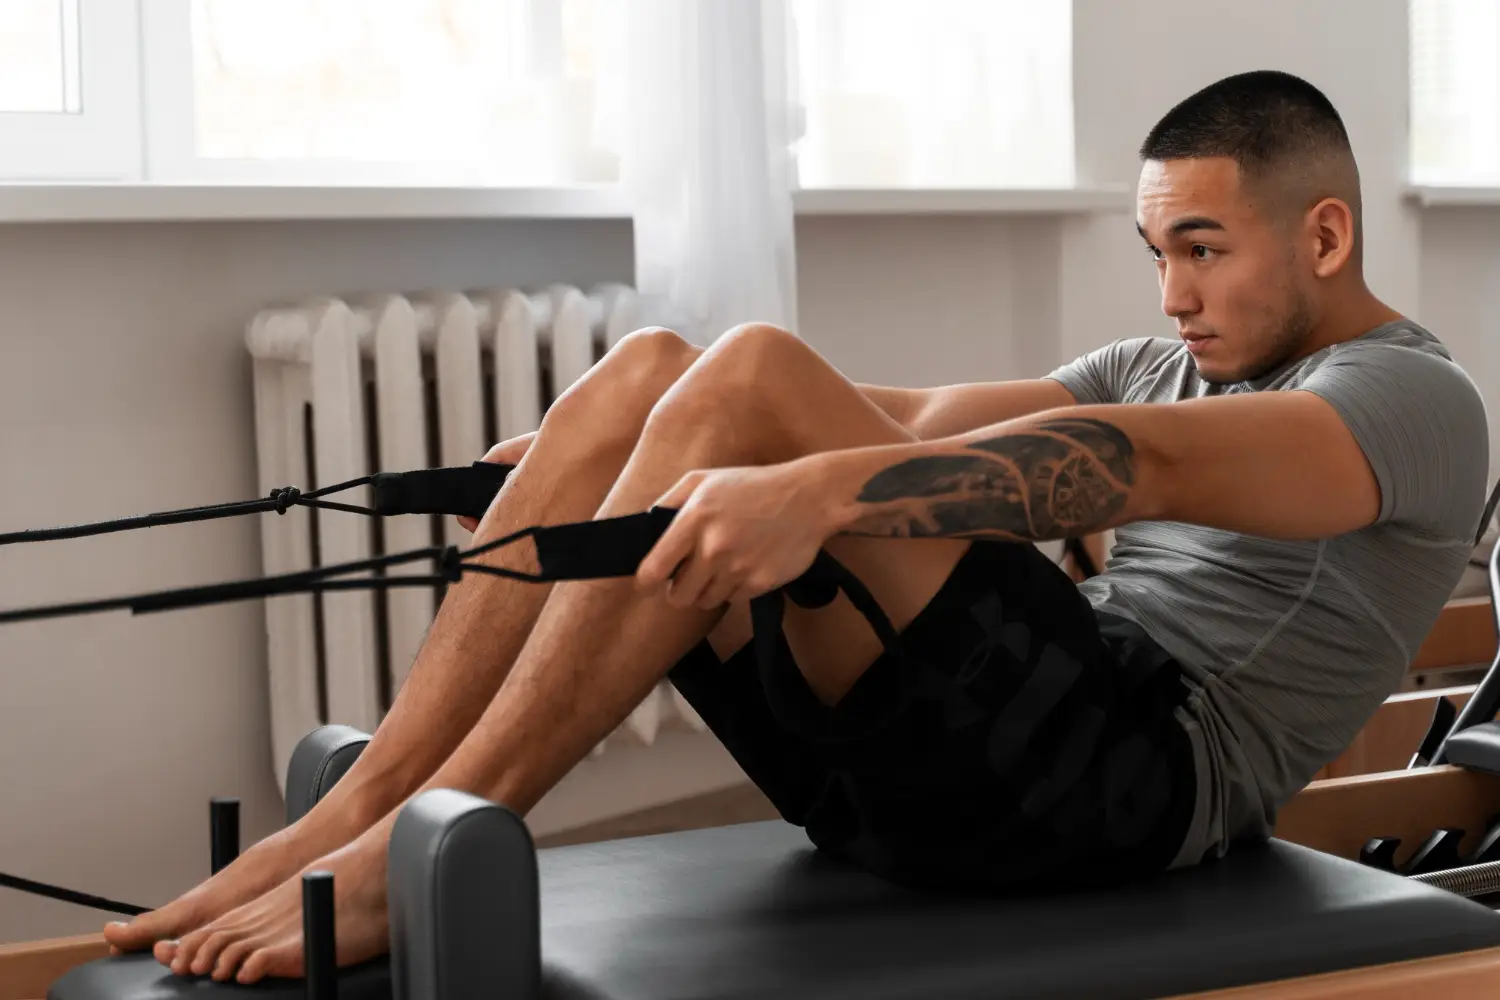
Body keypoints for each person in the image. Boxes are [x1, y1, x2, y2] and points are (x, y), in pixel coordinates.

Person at [103, 69, 1489, 984]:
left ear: (1321, 238)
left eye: (1204, 249)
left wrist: (809, 483)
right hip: (939, 783)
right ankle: (368, 813)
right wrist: (609, 447)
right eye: (1158, 256)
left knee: (759, 375)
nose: (1174, 294)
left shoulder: (1410, 400)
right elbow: (917, 409)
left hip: (1130, 795)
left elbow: (1135, 467)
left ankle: (422, 858)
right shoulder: (1158, 357)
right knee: (655, 370)